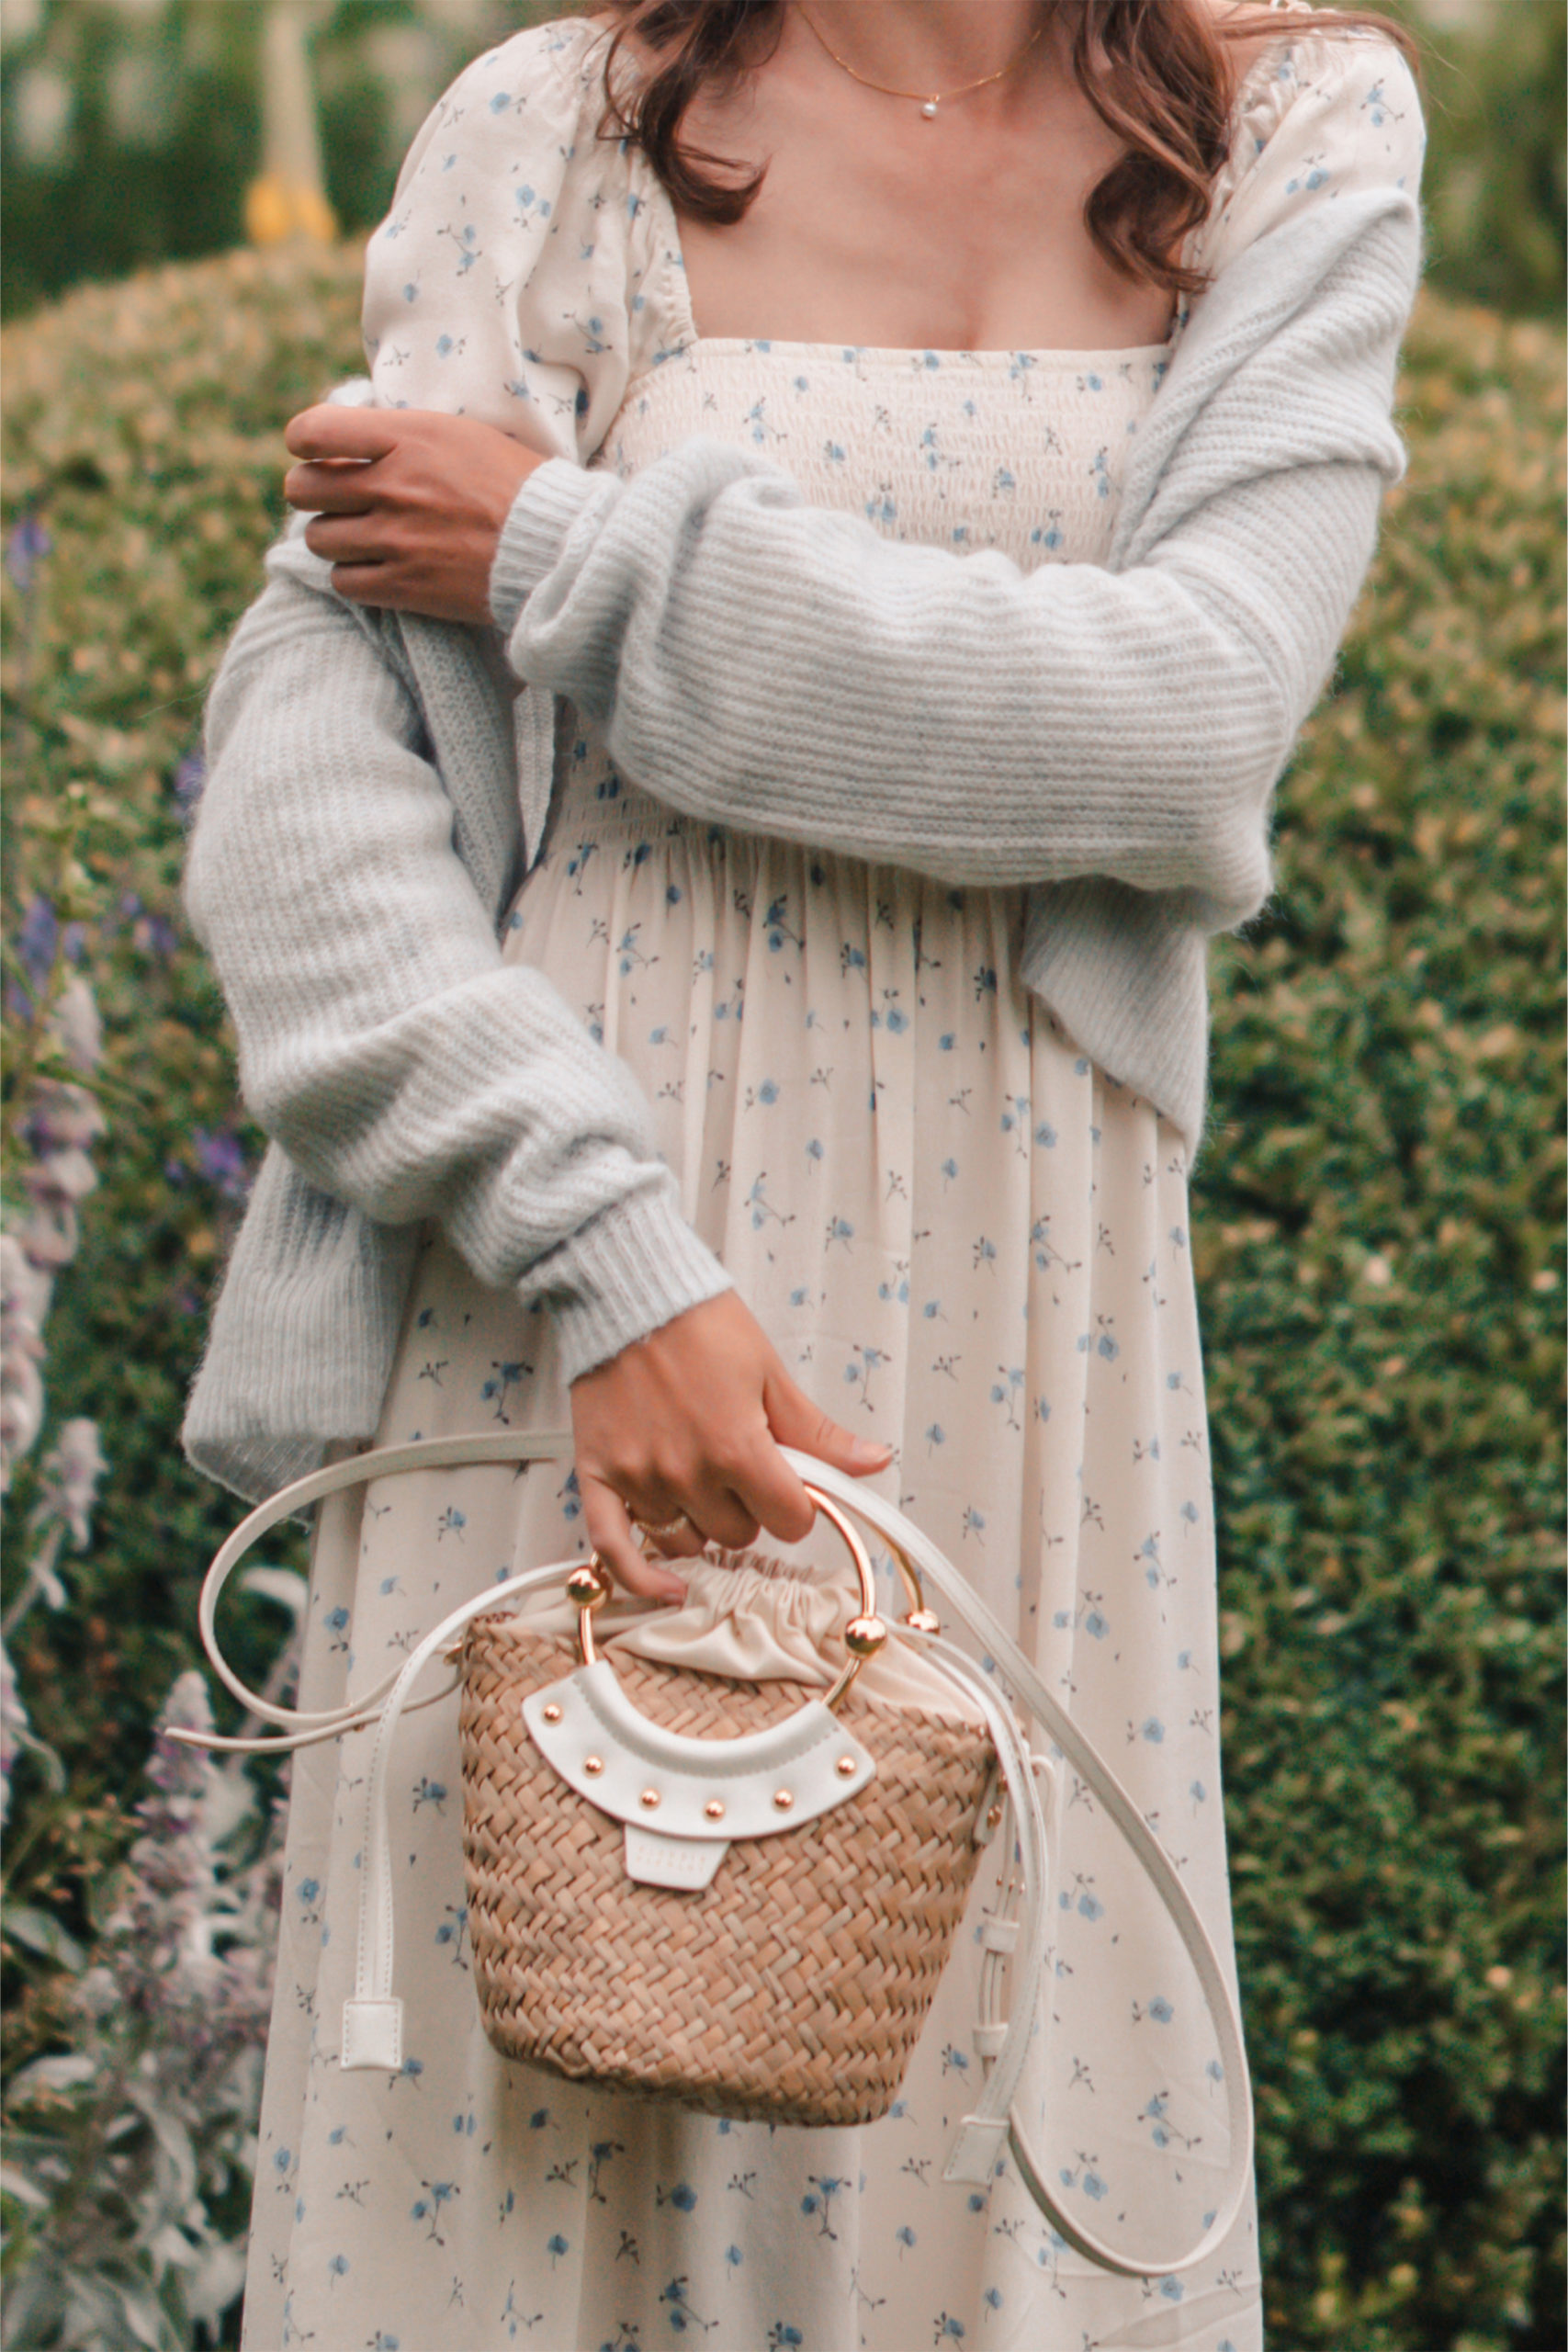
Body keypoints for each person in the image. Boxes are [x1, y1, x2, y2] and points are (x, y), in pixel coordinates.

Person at [181, 2, 1425, 2343]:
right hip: (559, 1297)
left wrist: (568, 555)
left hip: (1015, 1325)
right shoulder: (553, 128)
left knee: (974, 2153)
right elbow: (308, 807)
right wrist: (608, 1257)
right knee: (509, 2166)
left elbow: (1180, 723)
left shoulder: (1291, 125)